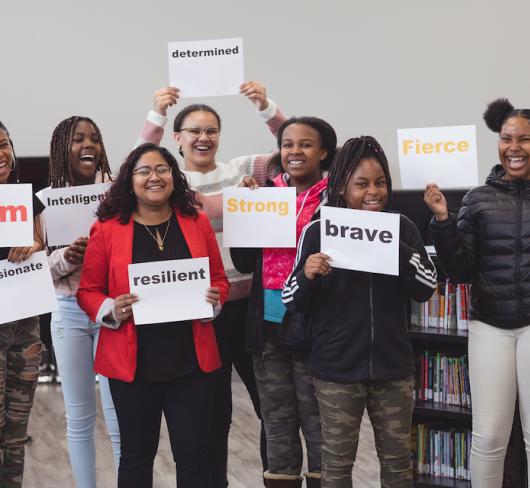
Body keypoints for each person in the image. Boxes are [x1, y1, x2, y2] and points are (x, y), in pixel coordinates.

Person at [135, 81, 286, 485]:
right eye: (195, 131)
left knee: (271, 408)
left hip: (251, 309)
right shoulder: (167, 181)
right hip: (202, 314)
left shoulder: (240, 169)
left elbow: (295, 150)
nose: (204, 138)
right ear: (177, 138)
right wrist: (156, 114)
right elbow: (140, 162)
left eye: (212, 130)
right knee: (211, 417)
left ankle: (278, 477)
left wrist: (265, 106)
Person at [283, 136, 437, 488]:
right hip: (336, 368)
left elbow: (426, 287)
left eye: (380, 182)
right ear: (341, 187)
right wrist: (308, 273)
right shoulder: (320, 230)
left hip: (393, 368)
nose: (374, 192)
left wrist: (393, 244)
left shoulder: (403, 228)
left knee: (398, 464)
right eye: (362, 183)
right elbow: (292, 298)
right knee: (335, 465)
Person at [77, 143, 230, 488]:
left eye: (162, 169)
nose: (154, 177)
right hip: (132, 365)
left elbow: (219, 280)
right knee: (135, 456)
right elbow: (87, 292)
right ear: (129, 181)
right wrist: (111, 309)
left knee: (194, 456)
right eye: (143, 171)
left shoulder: (197, 222)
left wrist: (215, 299)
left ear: (174, 177)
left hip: (192, 363)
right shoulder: (107, 228)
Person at [424, 98, 530, 488]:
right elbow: (460, 269)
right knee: (488, 436)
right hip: (491, 327)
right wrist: (441, 221)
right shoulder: (478, 198)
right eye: (507, 139)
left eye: (525, 139)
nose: (514, 147)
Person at [231, 116, 338, 488]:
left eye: (305, 144)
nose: (295, 151)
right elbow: (244, 262)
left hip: (318, 328)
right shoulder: (263, 193)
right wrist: (244, 211)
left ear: (324, 151)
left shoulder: (337, 198)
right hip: (268, 325)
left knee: (320, 424)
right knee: (277, 424)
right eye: (287, 144)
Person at [42, 116, 120, 488]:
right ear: (62, 149)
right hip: (69, 312)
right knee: (79, 418)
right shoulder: (45, 203)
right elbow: (38, 273)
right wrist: (66, 258)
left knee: (120, 415)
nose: (88, 145)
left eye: (94, 138)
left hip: (111, 311)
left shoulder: (118, 196)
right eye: (77, 139)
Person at [0, 120, 44, 488]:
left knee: (16, 430)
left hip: (24, 327)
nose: (1, 154)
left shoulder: (24, 198)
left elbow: (41, 244)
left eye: (4, 144)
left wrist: (35, 245)